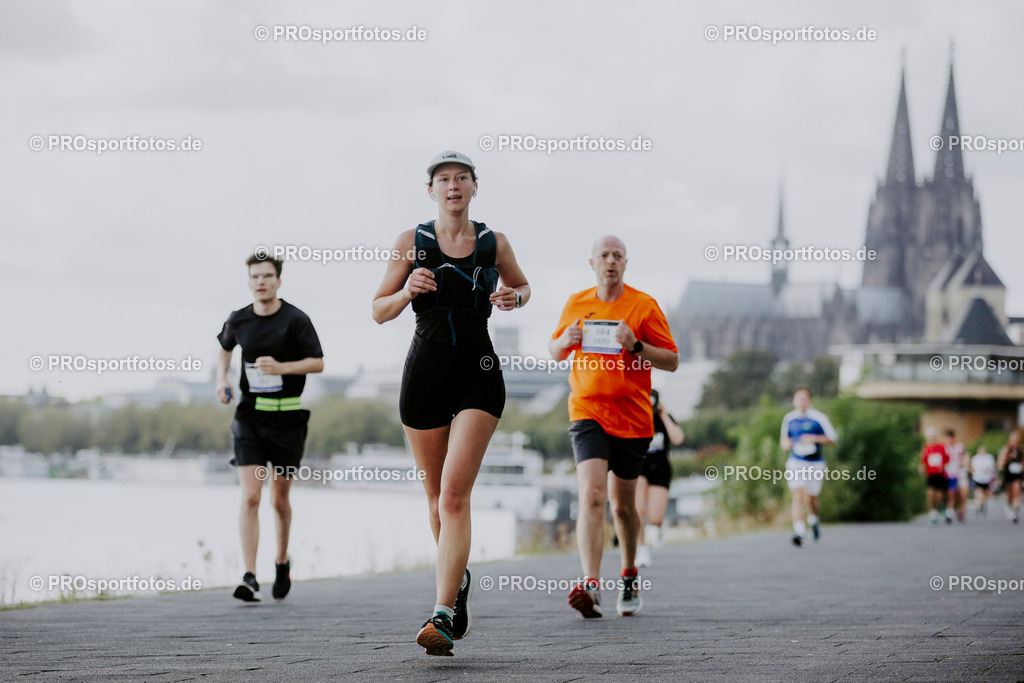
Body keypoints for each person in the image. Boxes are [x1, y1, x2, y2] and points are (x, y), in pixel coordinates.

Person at [372, 151, 530, 656]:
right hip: (423, 376)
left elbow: (523, 286)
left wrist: (513, 298)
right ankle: (457, 581)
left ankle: (440, 615)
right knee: (436, 499)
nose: (453, 186)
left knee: (455, 496)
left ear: (475, 188)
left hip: (478, 375)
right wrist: (405, 292)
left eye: (462, 178)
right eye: (444, 180)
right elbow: (378, 310)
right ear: (431, 191)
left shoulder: (492, 242)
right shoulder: (409, 243)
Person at [549, 235, 678, 618]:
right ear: (592, 263)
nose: (610, 261)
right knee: (591, 495)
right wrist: (564, 341)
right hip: (586, 411)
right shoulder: (576, 303)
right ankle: (591, 584)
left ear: (625, 263)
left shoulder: (643, 305)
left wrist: (636, 346)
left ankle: (628, 574)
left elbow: (671, 360)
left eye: (617, 255)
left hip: (634, 419)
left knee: (623, 508)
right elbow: (554, 351)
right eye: (603, 255)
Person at [216, 254, 325, 602]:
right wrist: (222, 379)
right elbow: (224, 347)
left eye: (267, 276)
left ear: (278, 281)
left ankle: (281, 561)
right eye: (255, 276)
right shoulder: (239, 319)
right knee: (250, 495)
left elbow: (318, 362)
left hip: (287, 419)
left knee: (279, 501)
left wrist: (281, 368)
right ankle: (249, 576)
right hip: (249, 417)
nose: (261, 281)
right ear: (249, 282)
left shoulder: (296, 319)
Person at [780, 387, 837, 546]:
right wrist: (788, 444)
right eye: (799, 398)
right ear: (794, 401)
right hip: (796, 462)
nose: (802, 401)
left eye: (805, 398)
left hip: (815, 463)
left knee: (811, 498)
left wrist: (813, 438)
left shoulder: (819, 418)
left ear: (809, 400)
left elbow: (832, 439)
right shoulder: (789, 419)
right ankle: (799, 531)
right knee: (798, 494)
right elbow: (784, 441)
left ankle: (814, 521)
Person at [634, 389, 684, 568]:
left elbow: (678, 438)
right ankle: (641, 549)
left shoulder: (663, 419)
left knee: (654, 518)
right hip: (639, 467)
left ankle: (658, 528)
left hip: (660, 469)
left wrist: (664, 416)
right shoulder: (635, 417)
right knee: (638, 509)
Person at [918, 428, 949, 527]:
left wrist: (942, 466)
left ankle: (941, 505)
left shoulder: (941, 447)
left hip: (940, 475)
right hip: (931, 475)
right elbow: (923, 461)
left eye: (933, 436)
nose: (932, 438)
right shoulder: (926, 449)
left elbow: (947, 459)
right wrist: (921, 467)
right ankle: (933, 515)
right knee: (930, 494)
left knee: (940, 495)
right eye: (930, 437)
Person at [996, 430, 1023, 524]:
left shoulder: (1020, 450)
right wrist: (1007, 458)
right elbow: (1000, 464)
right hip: (1008, 475)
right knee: (1010, 493)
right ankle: (1009, 505)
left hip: (1017, 475)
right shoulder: (1005, 450)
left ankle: (1015, 511)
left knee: (1017, 491)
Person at [944, 430, 966, 523]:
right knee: (951, 493)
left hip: (958, 472)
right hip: (949, 473)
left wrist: (963, 463)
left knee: (961, 493)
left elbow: (963, 456)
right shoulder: (944, 447)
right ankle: (949, 511)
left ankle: (960, 510)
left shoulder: (959, 446)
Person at [970, 444, 996, 518]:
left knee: (985, 494)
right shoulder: (975, 458)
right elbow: (972, 468)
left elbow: (992, 468)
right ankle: (979, 506)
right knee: (979, 493)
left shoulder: (989, 457)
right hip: (977, 478)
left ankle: (981, 505)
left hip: (986, 479)